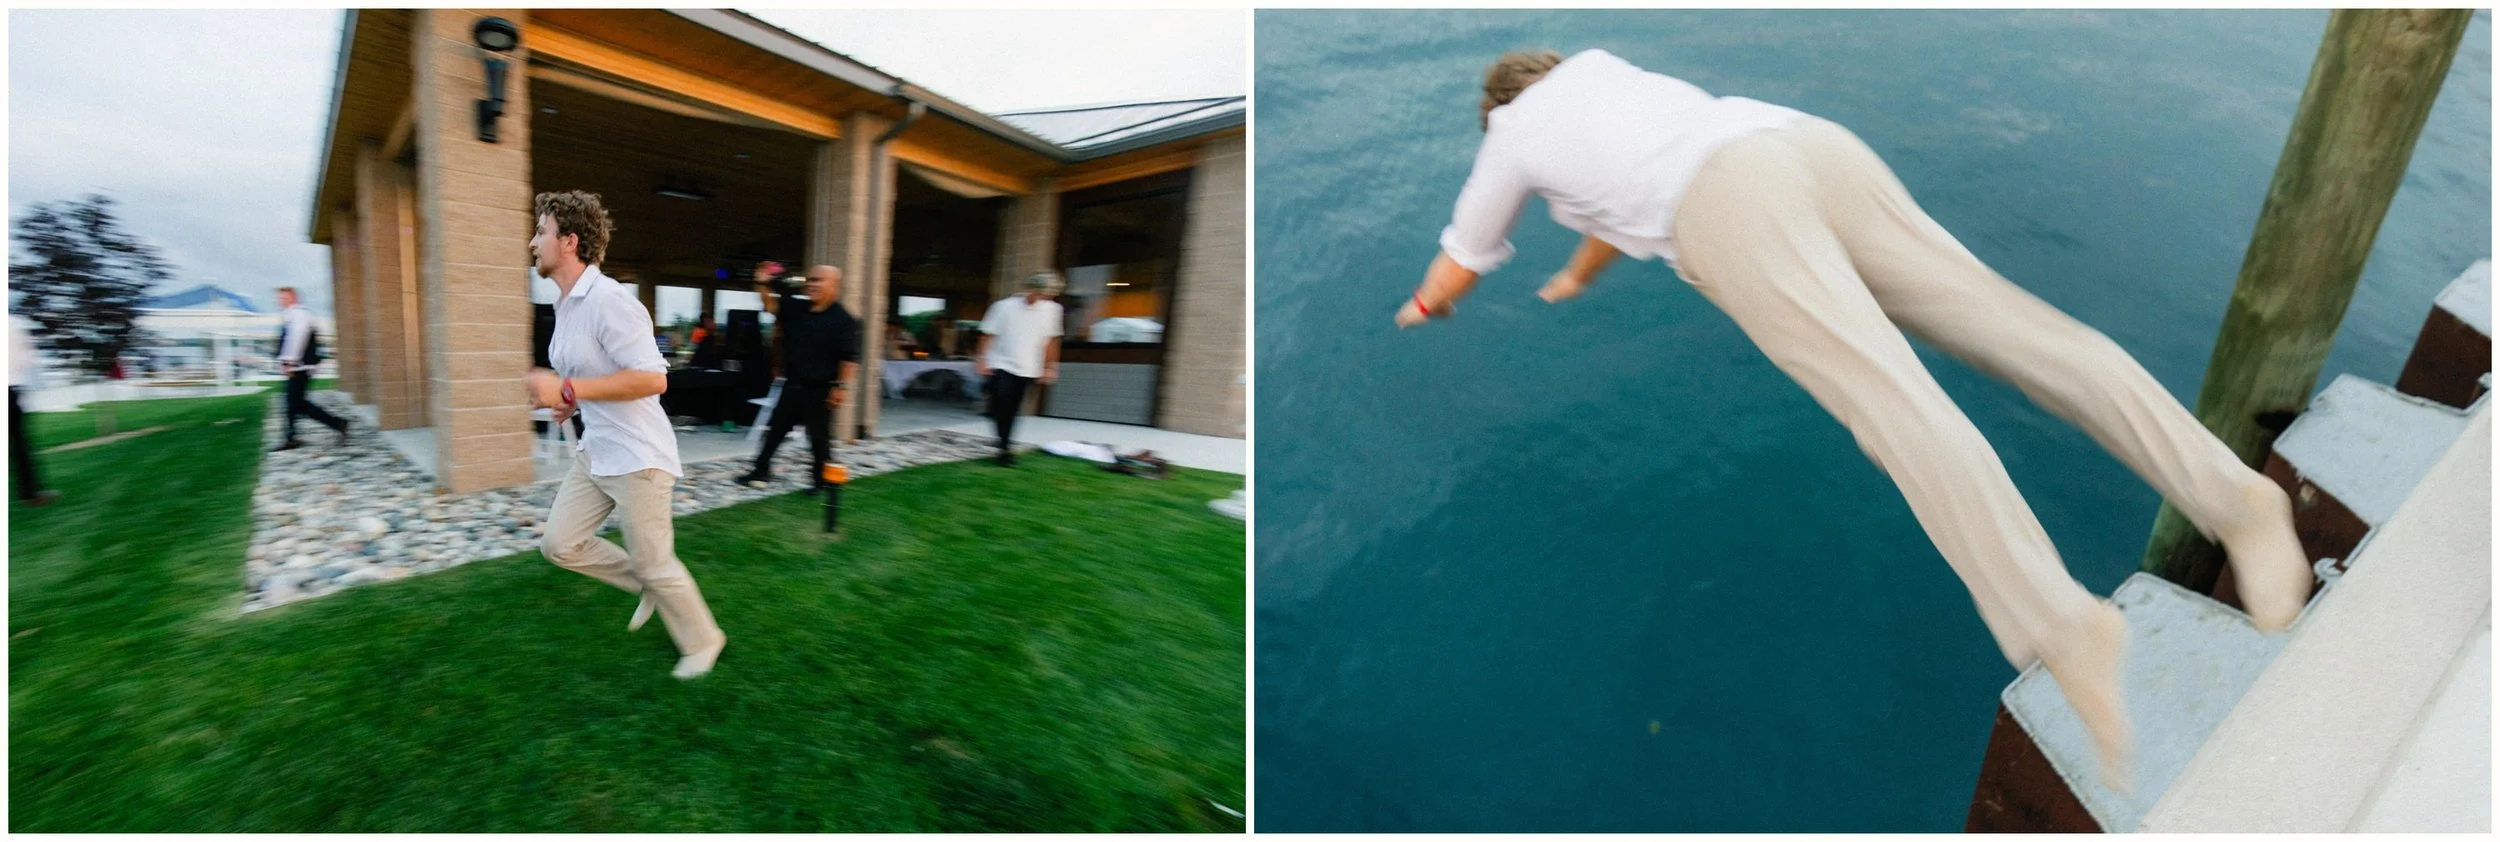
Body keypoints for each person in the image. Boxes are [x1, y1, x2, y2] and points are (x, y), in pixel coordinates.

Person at [1397, 48, 2317, 792]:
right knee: (2026, 334)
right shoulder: (1607, 80)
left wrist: (1425, 307)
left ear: (1498, 111)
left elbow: (1463, 253)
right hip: (1803, 146)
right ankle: (2241, 503)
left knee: (1898, 411)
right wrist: (1578, 274)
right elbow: (1611, 202)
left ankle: (2067, 625)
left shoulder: (1511, 136)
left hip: (1728, 207)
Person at [523, 190, 727, 681]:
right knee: (559, 544)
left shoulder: (611, 301)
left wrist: (568, 386)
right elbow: (594, 374)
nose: (532, 243)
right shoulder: (568, 305)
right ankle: (648, 586)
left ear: (569, 241)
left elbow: (653, 378)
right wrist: (570, 401)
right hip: (596, 452)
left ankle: (704, 639)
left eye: (541, 233)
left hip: (638, 458)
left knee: (657, 562)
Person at [736, 262, 859, 494]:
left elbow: (849, 358)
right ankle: (761, 469)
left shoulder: (844, 320)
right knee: (774, 430)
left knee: (818, 437)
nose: (811, 284)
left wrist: (841, 387)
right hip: (793, 385)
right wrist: (762, 284)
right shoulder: (796, 308)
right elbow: (771, 306)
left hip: (821, 388)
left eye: (818, 280)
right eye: (810, 280)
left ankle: (821, 480)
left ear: (834, 285)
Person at [974, 272, 1065, 467]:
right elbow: (987, 335)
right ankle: (1005, 448)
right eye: (1041, 293)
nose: (1044, 298)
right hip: (1001, 362)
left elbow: (1051, 340)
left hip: (1029, 366)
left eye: (1048, 295)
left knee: (1013, 407)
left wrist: (1050, 366)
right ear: (1030, 289)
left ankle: (1003, 440)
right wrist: (981, 359)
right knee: (1002, 401)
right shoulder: (1003, 307)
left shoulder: (1053, 310)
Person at [271, 286, 350, 452]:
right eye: (280, 298)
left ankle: (338, 423)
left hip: (300, 367)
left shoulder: (298, 314)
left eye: (283, 298)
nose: (280, 301)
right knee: (292, 403)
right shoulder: (293, 314)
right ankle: (291, 437)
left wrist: (289, 362)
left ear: (293, 298)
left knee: (296, 403)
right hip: (299, 366)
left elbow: (296, 338)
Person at [10, 314, 59, 506]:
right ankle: (30, 494)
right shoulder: (14, 324)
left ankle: (30, 493)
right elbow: (27, 359)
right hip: (9, 390)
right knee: (19, 446)